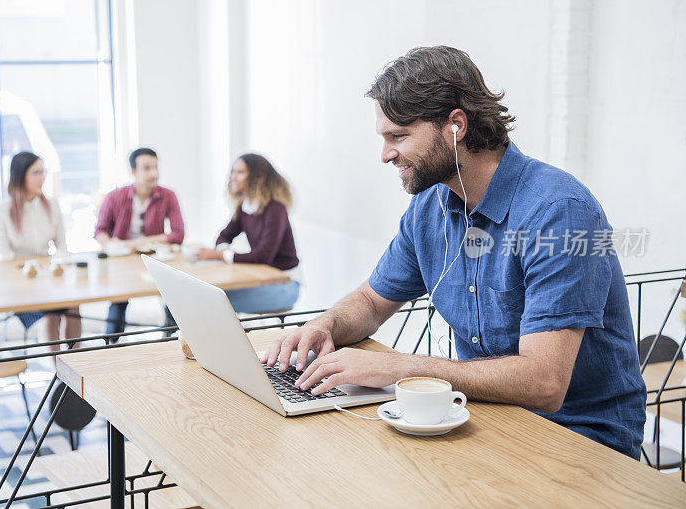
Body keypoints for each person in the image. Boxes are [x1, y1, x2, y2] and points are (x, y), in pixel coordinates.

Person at [263, 46, 646, 459]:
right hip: (485, 421)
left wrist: (400, 368)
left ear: (455, 126)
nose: (386, 154)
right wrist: (325, 326)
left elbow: (544, 383)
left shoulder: (560, 213)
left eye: (399, 136)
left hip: (580, 442)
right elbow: (372, 302)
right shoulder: (430, 207)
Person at [0, 151, 81, 352]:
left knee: (73, 305)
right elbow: (5, 258)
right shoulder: (1, 210)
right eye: (36, 172)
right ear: (20, 175)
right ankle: (58, 372)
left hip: (48, 277)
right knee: (51, 311)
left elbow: (62, 248)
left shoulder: (51, 205)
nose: (43, 177)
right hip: (19, 282)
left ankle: (75, 365)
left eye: (43, 171)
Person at [94, 147, 185, 340]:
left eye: (155, 167)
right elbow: (100, 231)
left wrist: (135, 243)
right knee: (118, 301)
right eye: (146, 168)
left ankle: (170, 339)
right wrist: (111, 244)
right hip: (122, 261)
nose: (154, 173)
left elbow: (178, 233)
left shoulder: (168, 195)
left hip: (156, 259)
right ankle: (110, 344)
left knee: (173, 294)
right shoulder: (114, 196)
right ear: (133, 171)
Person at [198, 153, 300, 314]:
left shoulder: (275, 209)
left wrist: (222, 256)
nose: (233, 177)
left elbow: (263, 255)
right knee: (206, 296)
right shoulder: (245, 206)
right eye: (233, 171)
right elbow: (223, 236)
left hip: (285, 286)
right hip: (262, 279)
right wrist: (223, 250)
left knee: (212, 302)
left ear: (256, 178)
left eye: (240, 172)